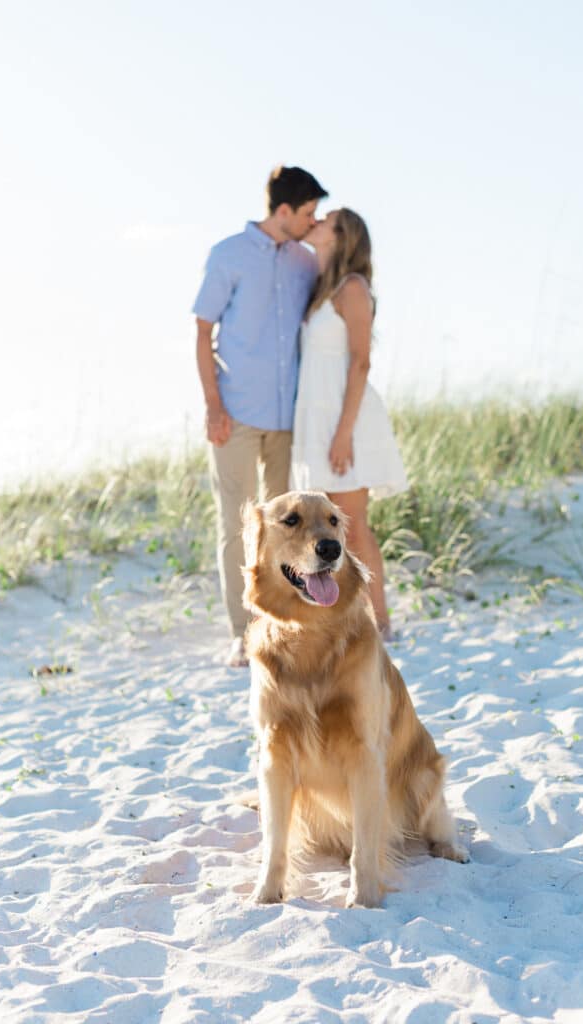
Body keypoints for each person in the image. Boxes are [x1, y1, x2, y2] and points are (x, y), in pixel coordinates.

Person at [192, 166, 328, 666]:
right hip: (236, 413)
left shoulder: (304, 263)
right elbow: (202, 330)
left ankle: (285, 621)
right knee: (238, 522)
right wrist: (212, 403)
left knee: (289, 526)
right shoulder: (228, 255)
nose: (313, 222)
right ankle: (242, 630)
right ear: (284, 210)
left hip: (287, 417)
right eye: (308, 212)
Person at [290, 208, 408, 640]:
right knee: (323, 527)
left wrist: (343, 433)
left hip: (347, 418)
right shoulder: (321, 287)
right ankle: (342, 617)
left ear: (342, 237)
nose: (316, 220)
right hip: (316, 416)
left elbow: (361, 362)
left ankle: (380, 622)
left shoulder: (352, 287)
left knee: (352, 523)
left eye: (328, 220)